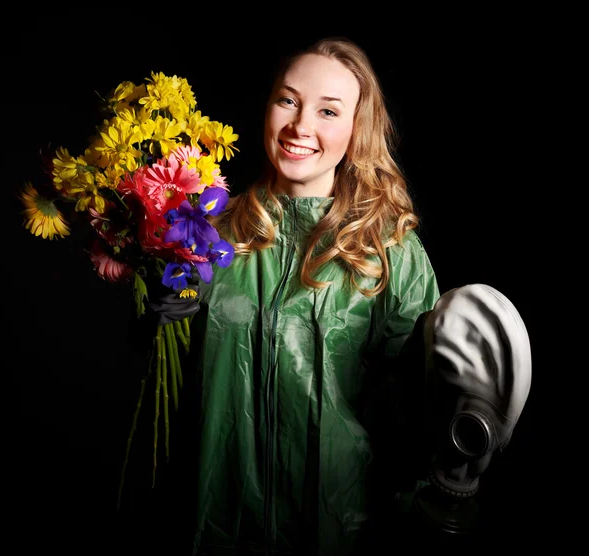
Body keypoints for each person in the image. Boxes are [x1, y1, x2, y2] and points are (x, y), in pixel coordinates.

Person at [141, 36, 442, 556]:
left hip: (339, 526)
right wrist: (151, 318)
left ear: (356, 129)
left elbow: (424, 406)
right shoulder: (209, 233)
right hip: (217, 520)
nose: (300, 126)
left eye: (328, 110)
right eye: (288, 100)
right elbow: (162, 388)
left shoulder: (389, 248)